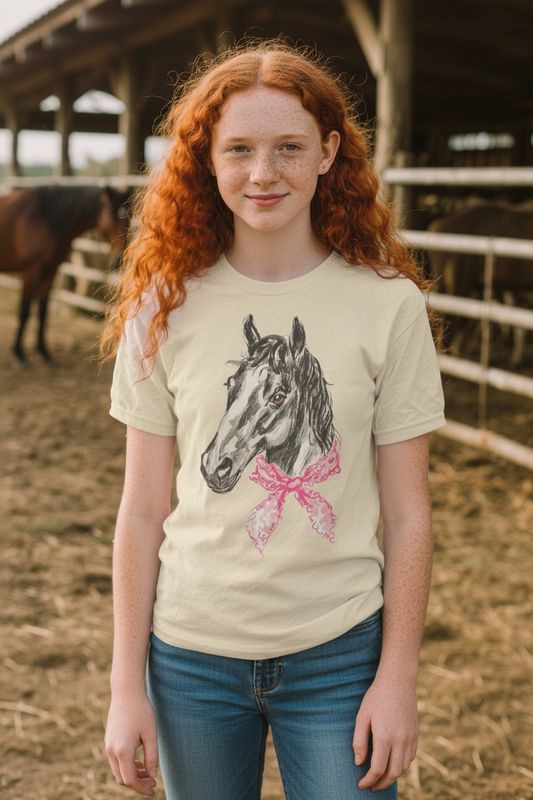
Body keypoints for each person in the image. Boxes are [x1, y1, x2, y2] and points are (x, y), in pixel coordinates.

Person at [99, 38, 447, 800]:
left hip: (339, 654)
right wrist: (127, 685)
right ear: (206, 160)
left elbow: (407, 511)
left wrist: (397, 677)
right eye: (240, 150)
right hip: (190, 655)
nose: (263, 174)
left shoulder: (387, 304)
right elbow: (142, 508)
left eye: (288, 147)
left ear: (328, 152)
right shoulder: (164, 307)